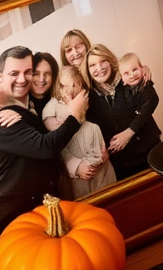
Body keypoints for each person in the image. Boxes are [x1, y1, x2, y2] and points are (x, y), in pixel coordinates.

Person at [0, 46, 87, 238]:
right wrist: (75, 116)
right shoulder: (0, 123)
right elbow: (45, 147)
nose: (1, 85)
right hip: (13, 212)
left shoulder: (15, 108)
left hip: (36, 205)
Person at [87, 45, 162, 180]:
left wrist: (129, 132)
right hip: (120, 163)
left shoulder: (127, 78)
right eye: (92, 65)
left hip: (148, 150)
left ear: (110, 61)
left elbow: (151, 101)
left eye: (103, 61)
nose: (99, 68)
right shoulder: (89, 95)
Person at [42, 66, 115, 197]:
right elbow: (51, 125)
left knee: (106, 188)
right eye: (64, 86)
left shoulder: (86, 97)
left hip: (91, 146)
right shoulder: (54, 104)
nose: (70, 89)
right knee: (82, 193)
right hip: (71, 150)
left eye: (75, 85)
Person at [28, 52, 59, 119]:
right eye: (36, 74)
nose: (42, 79)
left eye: (47, 74)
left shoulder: (59, 100)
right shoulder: (20, 103)